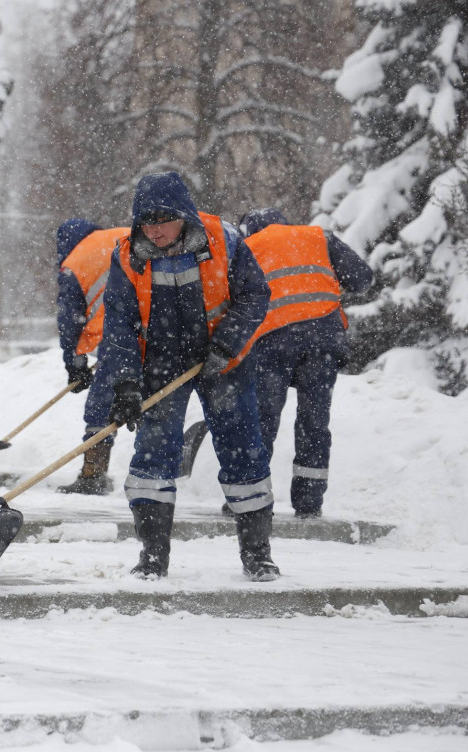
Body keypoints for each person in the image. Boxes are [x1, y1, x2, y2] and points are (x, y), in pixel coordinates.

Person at [100, 172, 280, 582]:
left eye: (163, 220)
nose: (155, 231)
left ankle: (258, 554)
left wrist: (226, 344)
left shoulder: (224, 240)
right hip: (161, 364)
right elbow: (119, 324)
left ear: (184, 215)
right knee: (153, 454)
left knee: (243, 449)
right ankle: (152, 555)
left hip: (223, 361)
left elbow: (255, 294)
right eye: (146, 223)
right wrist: (126, 384)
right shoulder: (128, 256)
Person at [237, 208, 375, 518]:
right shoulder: (318, 237)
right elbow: (362, 279)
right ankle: (309, 503)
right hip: (322, 340)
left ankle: (250, 500)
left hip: (272, 342)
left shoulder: (247, 247)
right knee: (314, 422)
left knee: (261, 421)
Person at [54, 218, 130, 494]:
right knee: (151, 399)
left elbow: (69, 320)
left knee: (101, 404)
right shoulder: (124, 235)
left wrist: (75, 365)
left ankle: (93, 475)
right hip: (161, 327)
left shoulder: (74, 262)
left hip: (119, 334)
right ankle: (157, 474)